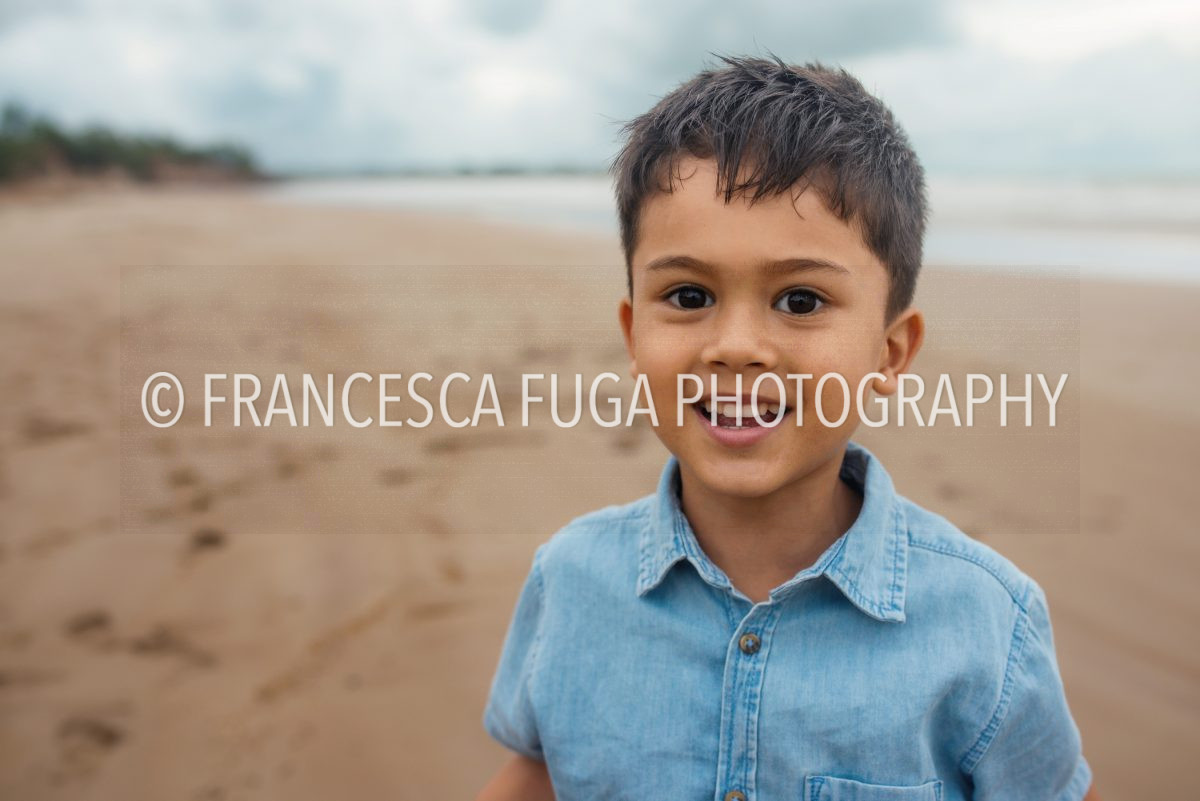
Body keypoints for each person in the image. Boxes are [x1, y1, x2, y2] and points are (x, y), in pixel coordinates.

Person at [476, 54, 1098, 801]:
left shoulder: (985, 620)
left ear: (889, 352)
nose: (737, 346)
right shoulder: (569, 579)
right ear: (633, 333)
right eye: (689, 295)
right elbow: (538, 772)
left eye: (800, 301)